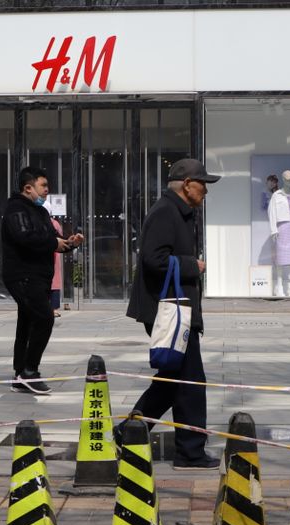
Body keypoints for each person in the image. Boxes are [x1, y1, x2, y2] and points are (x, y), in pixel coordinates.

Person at [121, 158, 221, 470]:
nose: (205, 190)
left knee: (171, 380)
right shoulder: (166, 212)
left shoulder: (180, 212)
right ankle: (189, 452)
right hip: (170, 310)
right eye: (202, 183)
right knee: (191, 381)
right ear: (186, 184)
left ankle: (128, 434)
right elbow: (153, 259)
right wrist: (193, 266)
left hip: (175, 307)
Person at [2, 167, 84, 394]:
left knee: (27, 323)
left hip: (38, 276)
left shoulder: (39, 212)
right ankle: (30, 371)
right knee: (44, 318)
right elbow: (25, 237)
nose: (47, 191)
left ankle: (21, 374)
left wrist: (69, 243)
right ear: (28, 188)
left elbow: (51, 240)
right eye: (43, 186)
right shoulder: (16, 209)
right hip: (23, 275)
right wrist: (53, 243)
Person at [44, 200, 63, 318]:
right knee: (53, 283)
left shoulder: (53, 224)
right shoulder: (55, 223)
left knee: (52, 283)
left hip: (51, 257)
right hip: (51, 257)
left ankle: (52, 308)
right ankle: (53, 308)